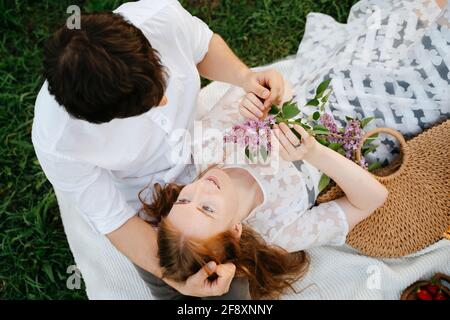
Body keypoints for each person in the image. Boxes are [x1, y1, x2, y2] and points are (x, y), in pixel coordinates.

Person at [31, 0, 285, 299]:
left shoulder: (159, 17)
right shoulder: (59, 142)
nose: (165, 102)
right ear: (98, 118)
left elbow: (203, 47)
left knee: (245, 271)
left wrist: (244, 77)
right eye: (144, 107)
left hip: (206, 151)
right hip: (147, 199)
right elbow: (117, 220)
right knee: (212, 288)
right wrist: (176, 280)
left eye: (161, 81)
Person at [136, 87, 388, 299]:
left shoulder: (207, 147)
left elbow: (259, 87)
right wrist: (314, 154)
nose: (201, 188)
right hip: (369, 130)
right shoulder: (278, 230)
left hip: (321, 88)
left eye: (185, 200)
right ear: (235, 230)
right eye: (207, 208)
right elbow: (372, 198)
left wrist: (254, 100)